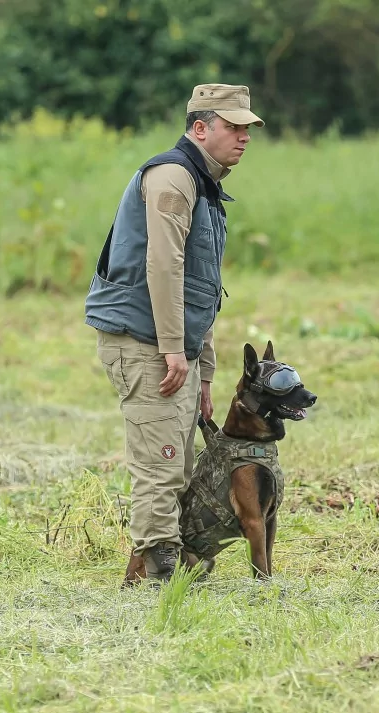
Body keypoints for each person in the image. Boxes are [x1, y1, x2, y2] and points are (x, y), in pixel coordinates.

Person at [84, 83, 264, 587]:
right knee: (161, 466)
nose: (244, 138)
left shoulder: (203, 184)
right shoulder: (172, 179)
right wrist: (170, 350)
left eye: (247, 128)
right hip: (144, 342)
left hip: (169, 344)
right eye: (233, 127)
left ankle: (153, 574)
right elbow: (162, 267)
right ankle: (159, 579)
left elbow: (199, 286)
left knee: (178, 464)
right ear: (200, 128)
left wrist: (203, 371)